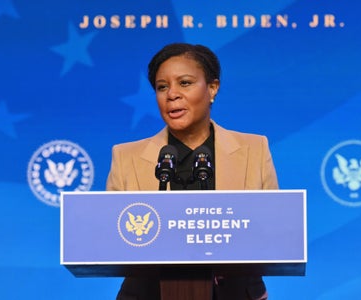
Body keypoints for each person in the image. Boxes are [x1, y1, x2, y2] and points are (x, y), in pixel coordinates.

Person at [106, 43, 279, 300]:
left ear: (212, 88)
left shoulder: (254, 149)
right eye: (162, 87)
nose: (172, 95)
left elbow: (273, 229)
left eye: (184, 83)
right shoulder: (126, 156)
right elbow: (109, 239)